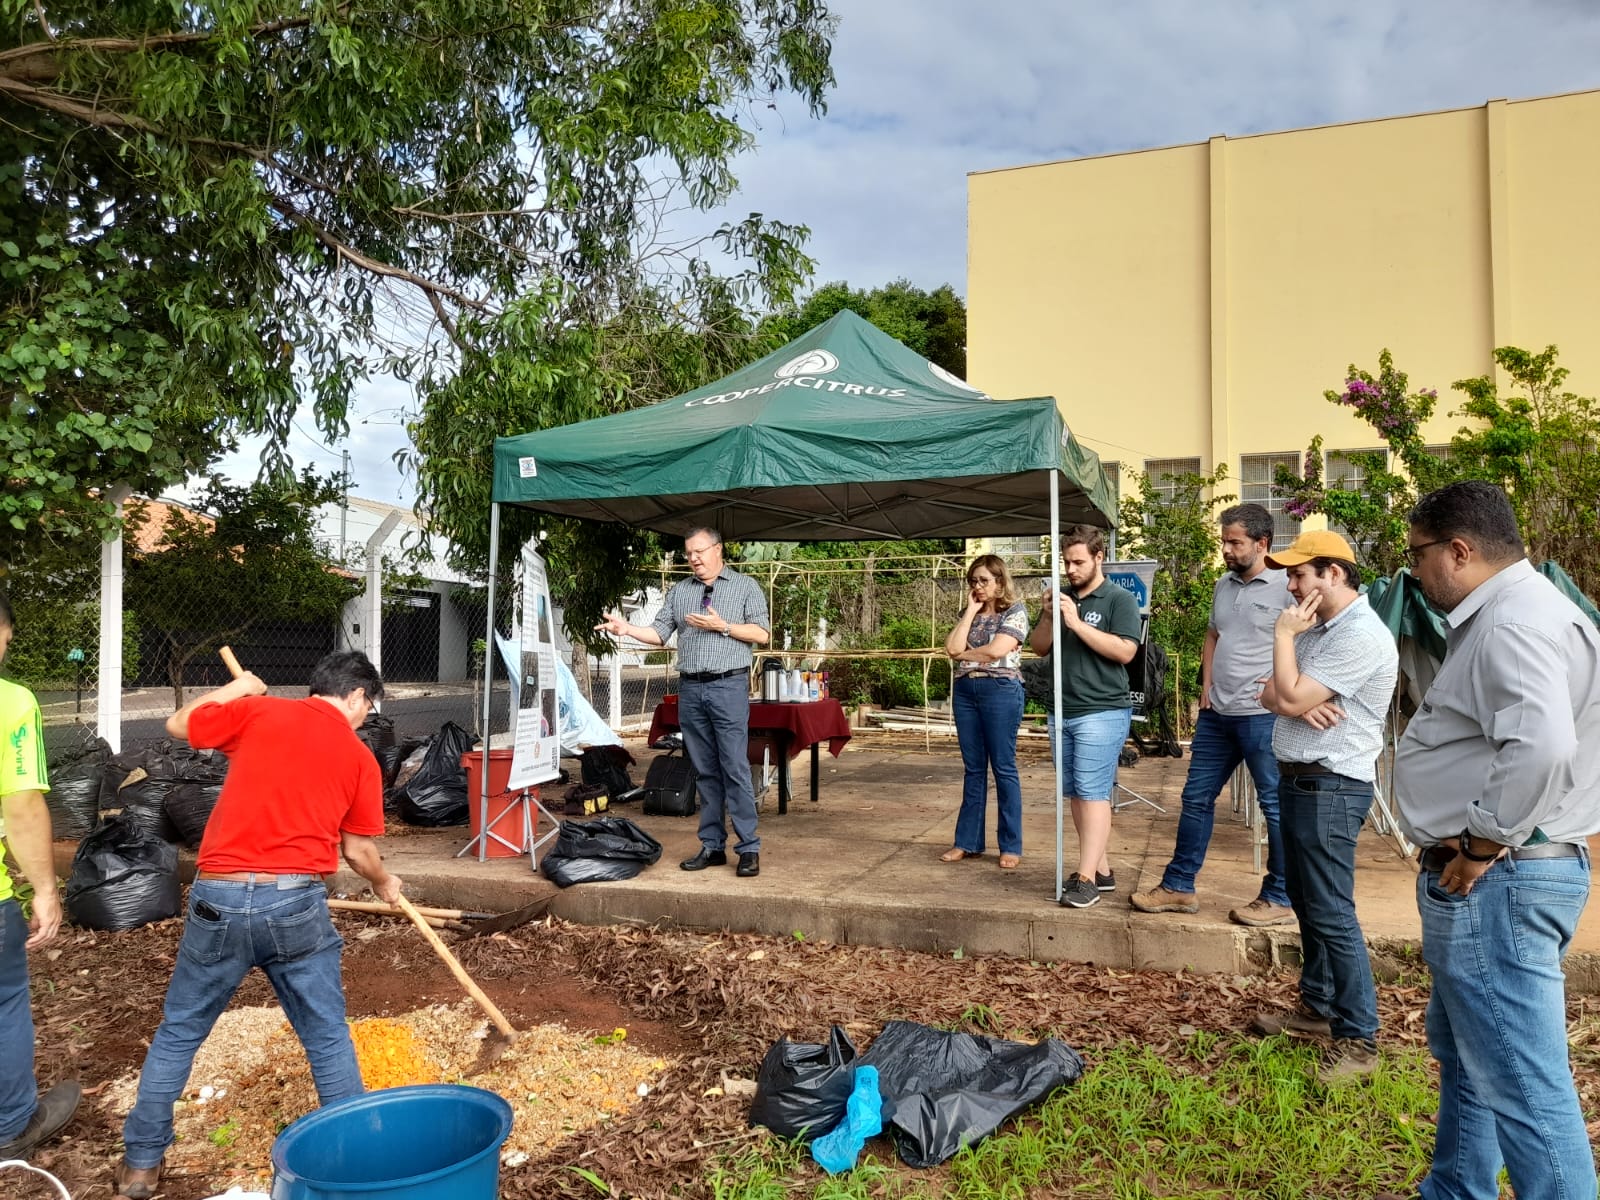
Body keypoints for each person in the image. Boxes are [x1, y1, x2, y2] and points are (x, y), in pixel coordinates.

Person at [112, 650, 402, 1200]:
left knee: (179, 1032)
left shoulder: (260, 714)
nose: (367, 716)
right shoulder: (358, 756)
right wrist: (384, 883)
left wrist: (236, 687)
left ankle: (141, 1166)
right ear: (358, 696)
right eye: (369, 705)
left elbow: (176, 724)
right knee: (326, 1034)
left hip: (217, 895)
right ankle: (361, 1165)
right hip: (295, 903)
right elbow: (359, 851)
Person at [1382, 482, 1598, 1200]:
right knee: (1474, 1055)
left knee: (1524, 1084)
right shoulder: (1526, 611)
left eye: (1418, 555)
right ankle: (1455, 1188)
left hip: (1495, 878)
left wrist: (1480, 843)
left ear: (1460, 550)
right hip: (1502, 874)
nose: (1413, 571)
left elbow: (1541, 744)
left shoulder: (1512, 620)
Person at [1251, 530, 1397, 1084]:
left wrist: (1289, 684)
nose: (1290, 586)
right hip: (1302, 781)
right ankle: (1317, 1008)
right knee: (1309, 904)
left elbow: (1285, 695)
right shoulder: (1319, 627)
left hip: (1332, 786)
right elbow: (1270, 692)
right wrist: (1292, 698)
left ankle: (1360, 1040)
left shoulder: (1357, 634)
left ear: (1333, 573)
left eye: (1299, 574)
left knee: (1332, 910)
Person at [1131, 503, 1299, 926]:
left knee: (1275, 807)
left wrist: (1288, 691)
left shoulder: (1288, 586)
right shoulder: (1224, 585)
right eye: (1223, 540)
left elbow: (1311, 642)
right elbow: (1213, 633)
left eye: (1234, 542)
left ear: (1262, 544)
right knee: (1195, 799)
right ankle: (1178, 887)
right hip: (1217, 715)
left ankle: (1279, 896)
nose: (1225, 548)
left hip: (1263, 718)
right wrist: (1206, 685)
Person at [595, 527, 771, 878]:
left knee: (734, 768)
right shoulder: (680, 591)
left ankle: (748, 848)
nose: (693, 558)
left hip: (728, 686)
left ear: (718, 550)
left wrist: (724, 626)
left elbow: (762, 634)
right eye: (688, 553)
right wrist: (627, 629)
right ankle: (712, 846)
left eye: (699, 551)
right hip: (691, 689)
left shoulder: (745, 586)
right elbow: (659, 634)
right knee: (704, 770)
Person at [0, 595, 82, 1163]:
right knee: (5, 1000)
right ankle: (10, 1122)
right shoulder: (9, 702)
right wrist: (46, 889)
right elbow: (22, 807)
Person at [1028, 525, 1141, 908]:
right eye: (1066, 562)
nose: (1071, 569)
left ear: (1099, 557)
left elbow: (1126, 651)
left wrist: (1076, 623)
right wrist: (1048, 617)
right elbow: (1040, 648)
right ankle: (1102, 868)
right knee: (1075, 792)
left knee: (1093, 793)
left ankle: (1086, 878)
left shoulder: (1118, 599)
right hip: (1063, 708)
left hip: (1103, 709)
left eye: (1078, 562)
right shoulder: (1062, 600)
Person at [941, 555, 1030, 869]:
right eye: (973, 581)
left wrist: (964, 654)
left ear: (1000, 582)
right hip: (966, 691)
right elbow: (950, 647)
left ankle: (1011, 845)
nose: (977, 587)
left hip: (1000, 691)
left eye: (984, 581)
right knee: (973, 768)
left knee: (1003, 768)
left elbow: (995, 651)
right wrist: (969, 612)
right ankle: (967, 842)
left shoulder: (1016, 612)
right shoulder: (972, 612)